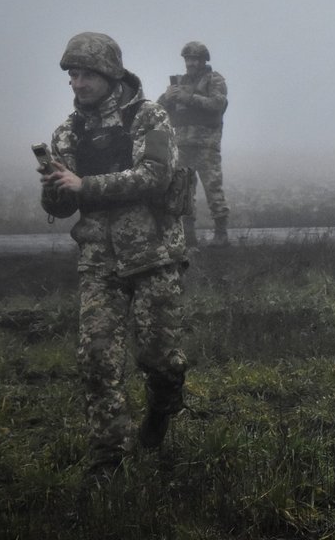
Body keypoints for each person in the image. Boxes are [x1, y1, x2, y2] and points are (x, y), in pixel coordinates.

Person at [39, 32, 190, 478]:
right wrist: (54, 189)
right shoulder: (67, 132)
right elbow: (61, 207)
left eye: (86, 74)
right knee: (96, 361)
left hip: (155, 256)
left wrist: (87, 185)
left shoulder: (149, 117)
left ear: (109, 74)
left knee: (159, 359)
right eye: (72, 75)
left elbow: (155, 177)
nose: (77, 83)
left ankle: (164, 402)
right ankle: (107, 462)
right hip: (98, 262)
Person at [157, 41, 230, 245]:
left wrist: (189, 98)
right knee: (183, 191)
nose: (191, 63)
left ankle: (221, 234)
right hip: (182, 145)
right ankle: (188, 236)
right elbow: (158, 110)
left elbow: (217, 104)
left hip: (206, 145)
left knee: (213, 188)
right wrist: (167, 98)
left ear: (204, 60)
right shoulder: (179, 83)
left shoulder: (215, 80)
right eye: (188, 59)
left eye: (196, 59)